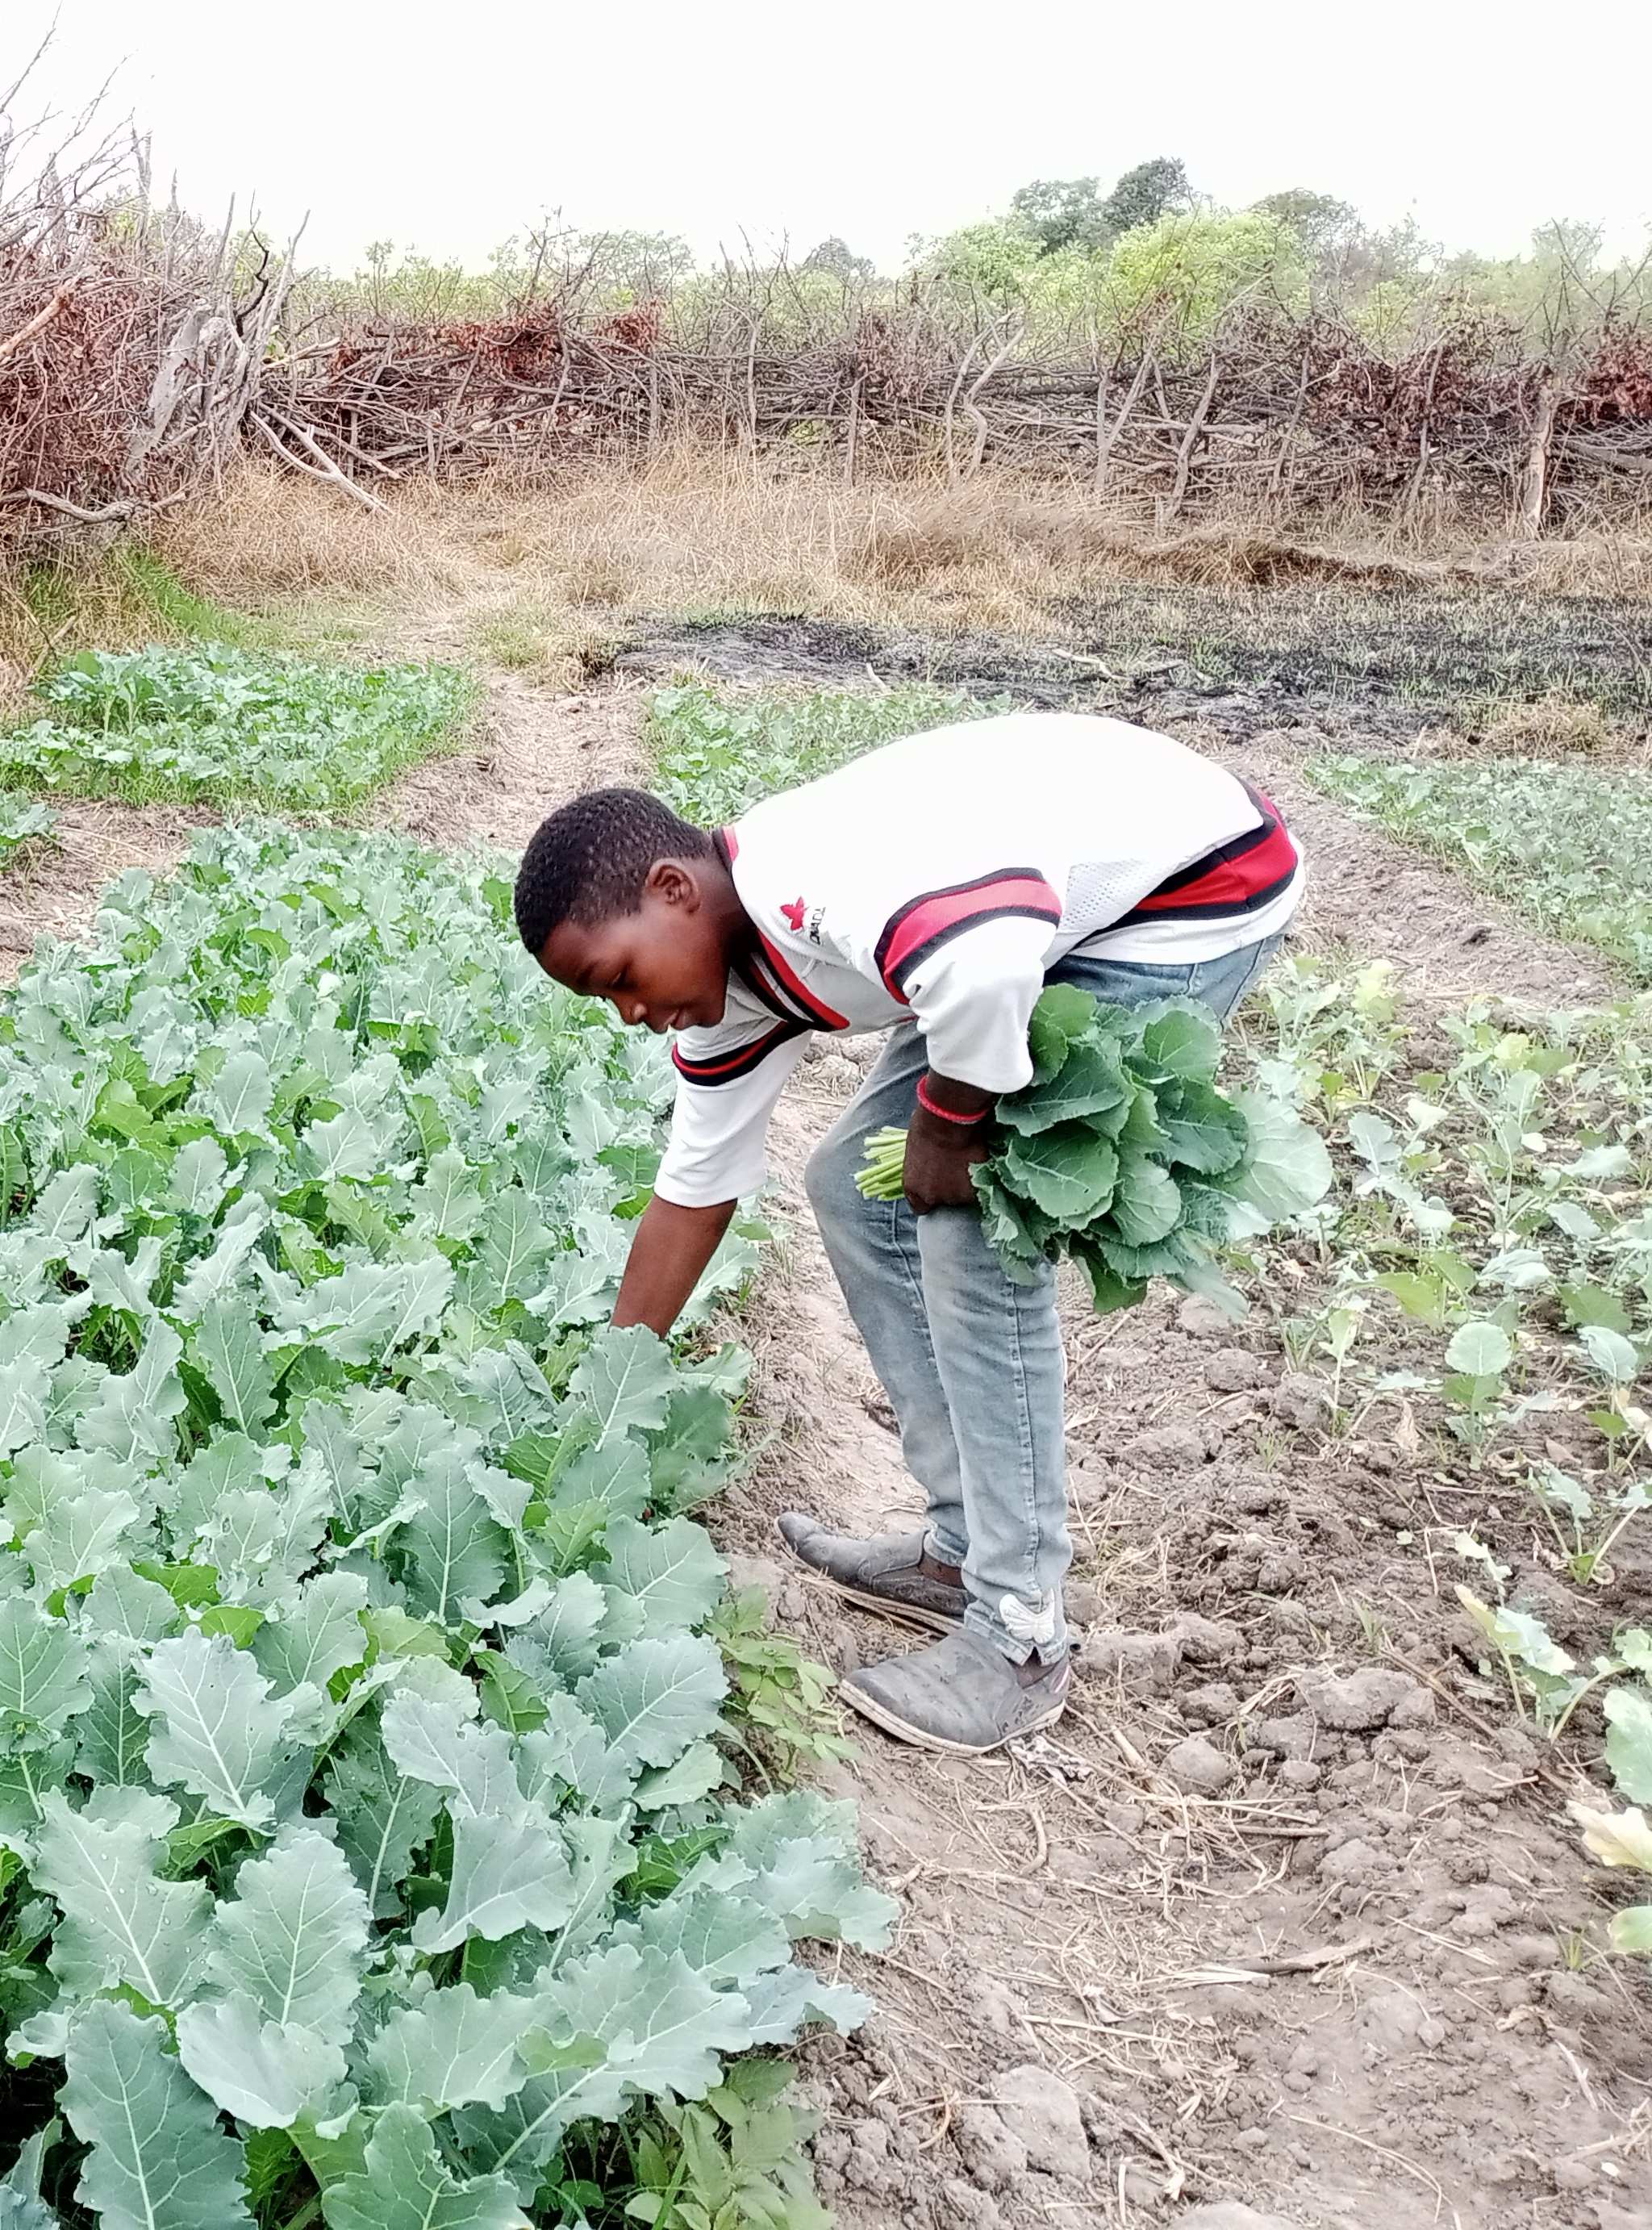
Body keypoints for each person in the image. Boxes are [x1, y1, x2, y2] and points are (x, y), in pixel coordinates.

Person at [510, 712, 1302, 1754]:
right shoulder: (727, 991)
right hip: (1031, 927)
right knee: (851, 1185)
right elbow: (694, 1189)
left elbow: (984, 967)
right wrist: (602, 1401)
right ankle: (959, 1551)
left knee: (974, 1229)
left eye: (617, 977)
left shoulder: (817, 882)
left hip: (1180, 895)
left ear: (672, 890)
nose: (626, 1014)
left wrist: (952, 1122)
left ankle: (1020, 1632)